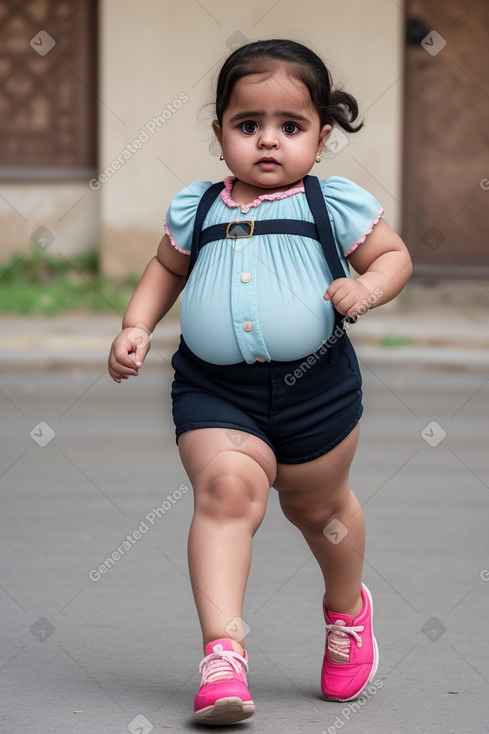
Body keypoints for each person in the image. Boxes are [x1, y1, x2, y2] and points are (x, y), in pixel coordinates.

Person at [108, 39, 412, 726]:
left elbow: (393, 256)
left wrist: (365, 285)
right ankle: (223, 654)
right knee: (224, 492)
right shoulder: (197, 208)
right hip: (215, 390)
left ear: (321, 136)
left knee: (319, 510)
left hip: (317, 390)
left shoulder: (329, 204)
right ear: (220, 133)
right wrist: (135, 324)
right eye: (248, 126)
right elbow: (165, 270)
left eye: (290, 126)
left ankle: (346, 612)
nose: (267, 141)